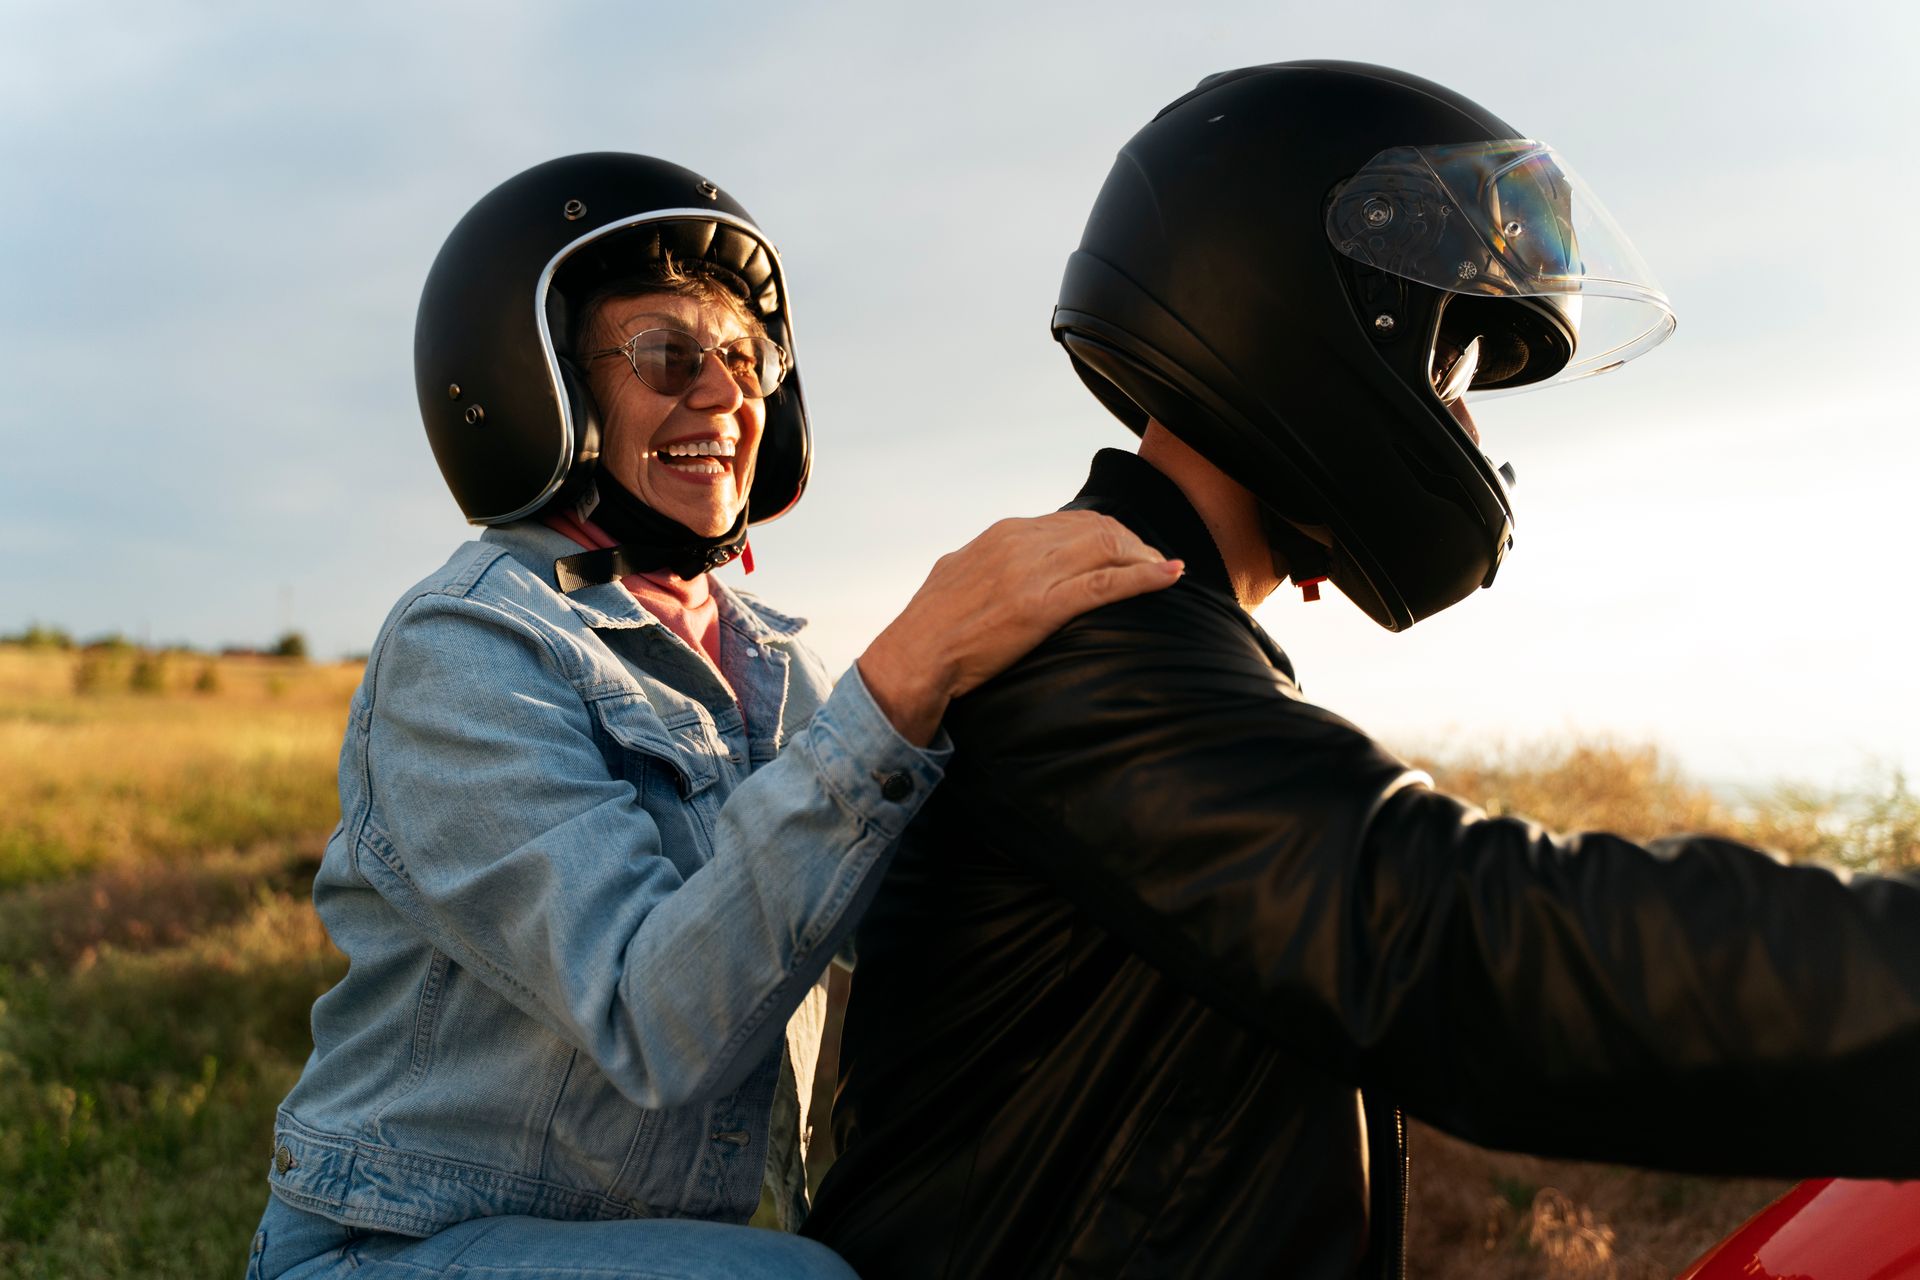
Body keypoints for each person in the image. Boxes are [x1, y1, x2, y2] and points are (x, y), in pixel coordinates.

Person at [801, 62, 1920, 1278]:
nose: (1470, 433)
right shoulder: (1088, 648)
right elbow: (1457, 942)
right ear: (1294, 306)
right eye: (1449, 370)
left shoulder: (1155, 638)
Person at [244, 153, 1181, 1280]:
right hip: (401, 1240)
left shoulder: (778, 660)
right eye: (666, 356)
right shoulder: (468, 648)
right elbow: (654, 1015)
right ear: (539, 387)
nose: (727, 396)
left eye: (743, 357)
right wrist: (910, 668)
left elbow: (903, 924)